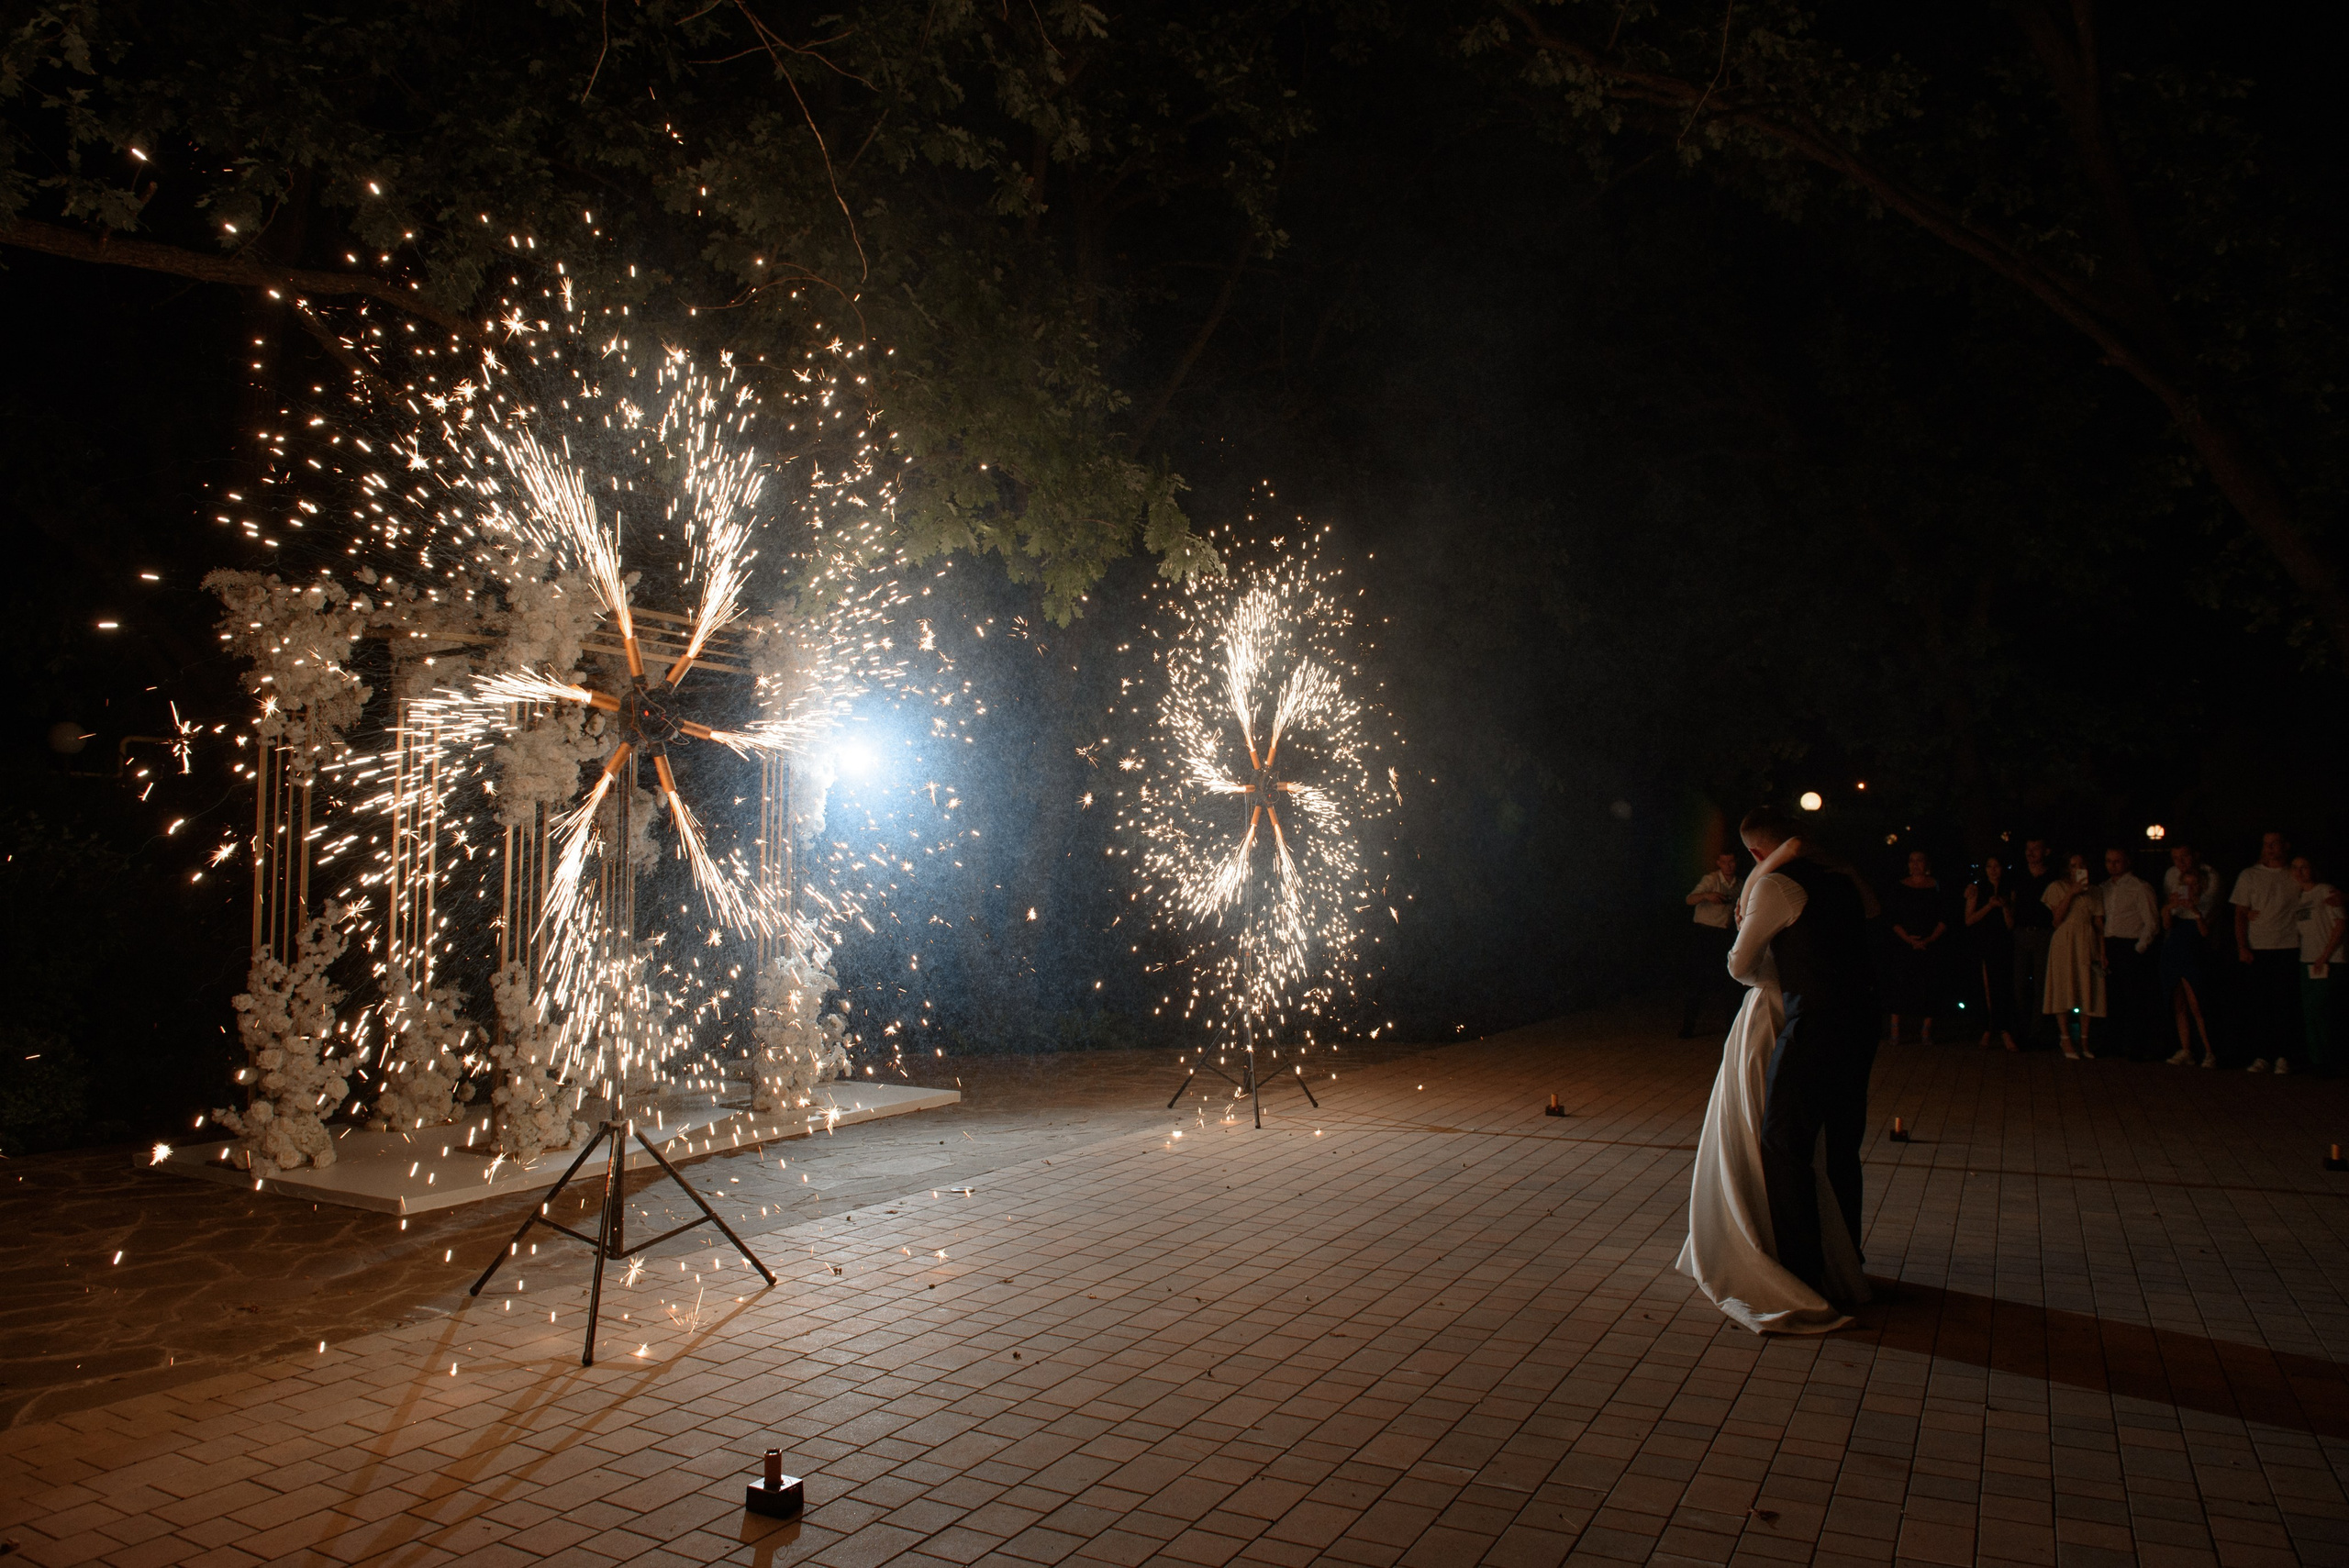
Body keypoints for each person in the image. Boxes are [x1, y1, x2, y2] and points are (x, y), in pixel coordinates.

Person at [1676, 813, 1868, 1333]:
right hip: (1852, 1021)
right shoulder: (1837, 881)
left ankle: (1797, 1270)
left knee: (1777, 1138)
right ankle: (1843, 1261)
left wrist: (1756, 913)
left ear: (1756, 855)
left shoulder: (1774, 887)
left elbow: (1741, 965)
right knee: (1835, 1143)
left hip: (1791, 1018)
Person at [2232, 832, 2301, 1073]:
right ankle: (2262, 1054)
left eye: (2274, 844)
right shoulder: (2250, 875)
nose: (2270, 849)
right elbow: (2240, 912)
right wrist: (2242, 946)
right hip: (2259, 946)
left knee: (2284, 1003)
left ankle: (2283, 1055)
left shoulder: (2295, 874)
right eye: (2266, 844)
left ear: (2286, 845)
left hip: (2288, 945)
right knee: (2260, 1004)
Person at [1882, 850, 1948, 1044]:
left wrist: (1928, 939)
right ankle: (1895, 1029)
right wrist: (1909, 940)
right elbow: (1892, 918)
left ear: (1927, 863)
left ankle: (1926, 1029)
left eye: (1919, 860)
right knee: (1900, 984)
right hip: (1904, 943)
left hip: (1931, 943)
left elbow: (1945, 917)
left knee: (1930, 984)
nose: (1915, 864)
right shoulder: (1900, 887)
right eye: (1911, 860)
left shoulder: (1937, 886)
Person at [2043, 851, 2105, 1059]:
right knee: (2063, 985)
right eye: (2073, 865)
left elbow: (2098, 924)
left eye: (2081, 865)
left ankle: (2085, 1040)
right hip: (2065, 939)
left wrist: (2102, 952)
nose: (2077, 868)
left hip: (2086, 939)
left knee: (2088, 985)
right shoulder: (2056, 887)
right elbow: (2056, 919)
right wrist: (2071, 893)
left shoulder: (2095, 891)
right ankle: (2065, 1038)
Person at [2099, 849, 2160, 1060]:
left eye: (2117, 861)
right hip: (2110, 944)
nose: (2112, 865)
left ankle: (2133, 1046)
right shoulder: (2104, 888)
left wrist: (2139, 948)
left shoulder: (2139, 887)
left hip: (2129, 945)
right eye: (2109, 861)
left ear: (2127, 861)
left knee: (2132, 998)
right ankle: (2112, 1043)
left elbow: (2151, 922)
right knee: (2112, 997)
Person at [1680, 852, 1743, 1039]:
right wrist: (1707, 895)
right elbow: (1689, 899)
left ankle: (1731, 1028)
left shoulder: (1739, 884)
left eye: (1731, 861)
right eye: (1724, 862)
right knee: (1697, 981)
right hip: (1704, 934)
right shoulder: (1711, 879)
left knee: (1730, 982)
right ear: (1718, 863)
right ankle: (1687, 1028)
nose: (1728, 866)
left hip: (1724, 935)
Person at [2161, 867, 2219, 1068]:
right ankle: (2186, 1049)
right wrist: (2170, 906)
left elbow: (2205, 933)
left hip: (2193, 957)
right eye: (2186, 884)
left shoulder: (2207, 905)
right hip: (2173, 955)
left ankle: (2209, 1051)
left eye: (2194, 884)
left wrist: (2195, 911)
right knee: (2179, 1005)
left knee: (2197, 1005)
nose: (2190, 888)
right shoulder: (2177, 906)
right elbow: (2167, 925)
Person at [2291, 855, 2343, 1077]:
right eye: (2296, 868)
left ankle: (2330, 1060)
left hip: (2329, 959)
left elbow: (2340, 924)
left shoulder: (2325, 890)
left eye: (2304, 867)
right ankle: (2316, 1060)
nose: (2300, 872)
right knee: (2310, 1011)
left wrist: (2325, 954)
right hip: (2307, 959)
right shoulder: (2300, 897)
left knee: (2322, 1009)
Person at [1963, 855, 2021, 1051]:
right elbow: (1969, 920)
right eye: (1989, 866)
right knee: (1986, 985)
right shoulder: (1977, 890)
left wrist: (2004, 906)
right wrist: (1988, 906)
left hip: (2002, 943)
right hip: (1983, 942)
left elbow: (2010, 924)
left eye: (1997, 866)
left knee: (2002, 985)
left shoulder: (2009, 890)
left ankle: (2004, 1028)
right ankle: (1988, 1027)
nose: (1993, 870)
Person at [2012, 839, 2058, 1047]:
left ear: (2046, 851)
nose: (2030, 853)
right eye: (2027, 848)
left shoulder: (2052, 877)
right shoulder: (2019, 875)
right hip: (2021, 933)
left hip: (2044, 933)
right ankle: (2021, 1030)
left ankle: (2037, 1032)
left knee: (2042, 983)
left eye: (2035, 849)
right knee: (2019, 983)